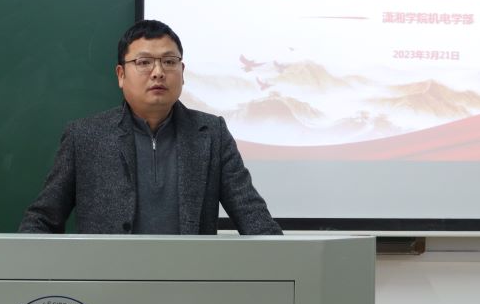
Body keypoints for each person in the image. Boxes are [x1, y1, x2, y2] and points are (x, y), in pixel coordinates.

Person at [18, 19, 282, 235]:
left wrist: (287, 262)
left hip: (188, 279)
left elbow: (253, 217)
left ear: (182, 72)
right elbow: (42, 219)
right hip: (106, 280)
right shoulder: (85, 136)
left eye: (169, 61)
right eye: (144, 62)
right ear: (121, 75)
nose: (158, 72)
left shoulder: (211, 133)